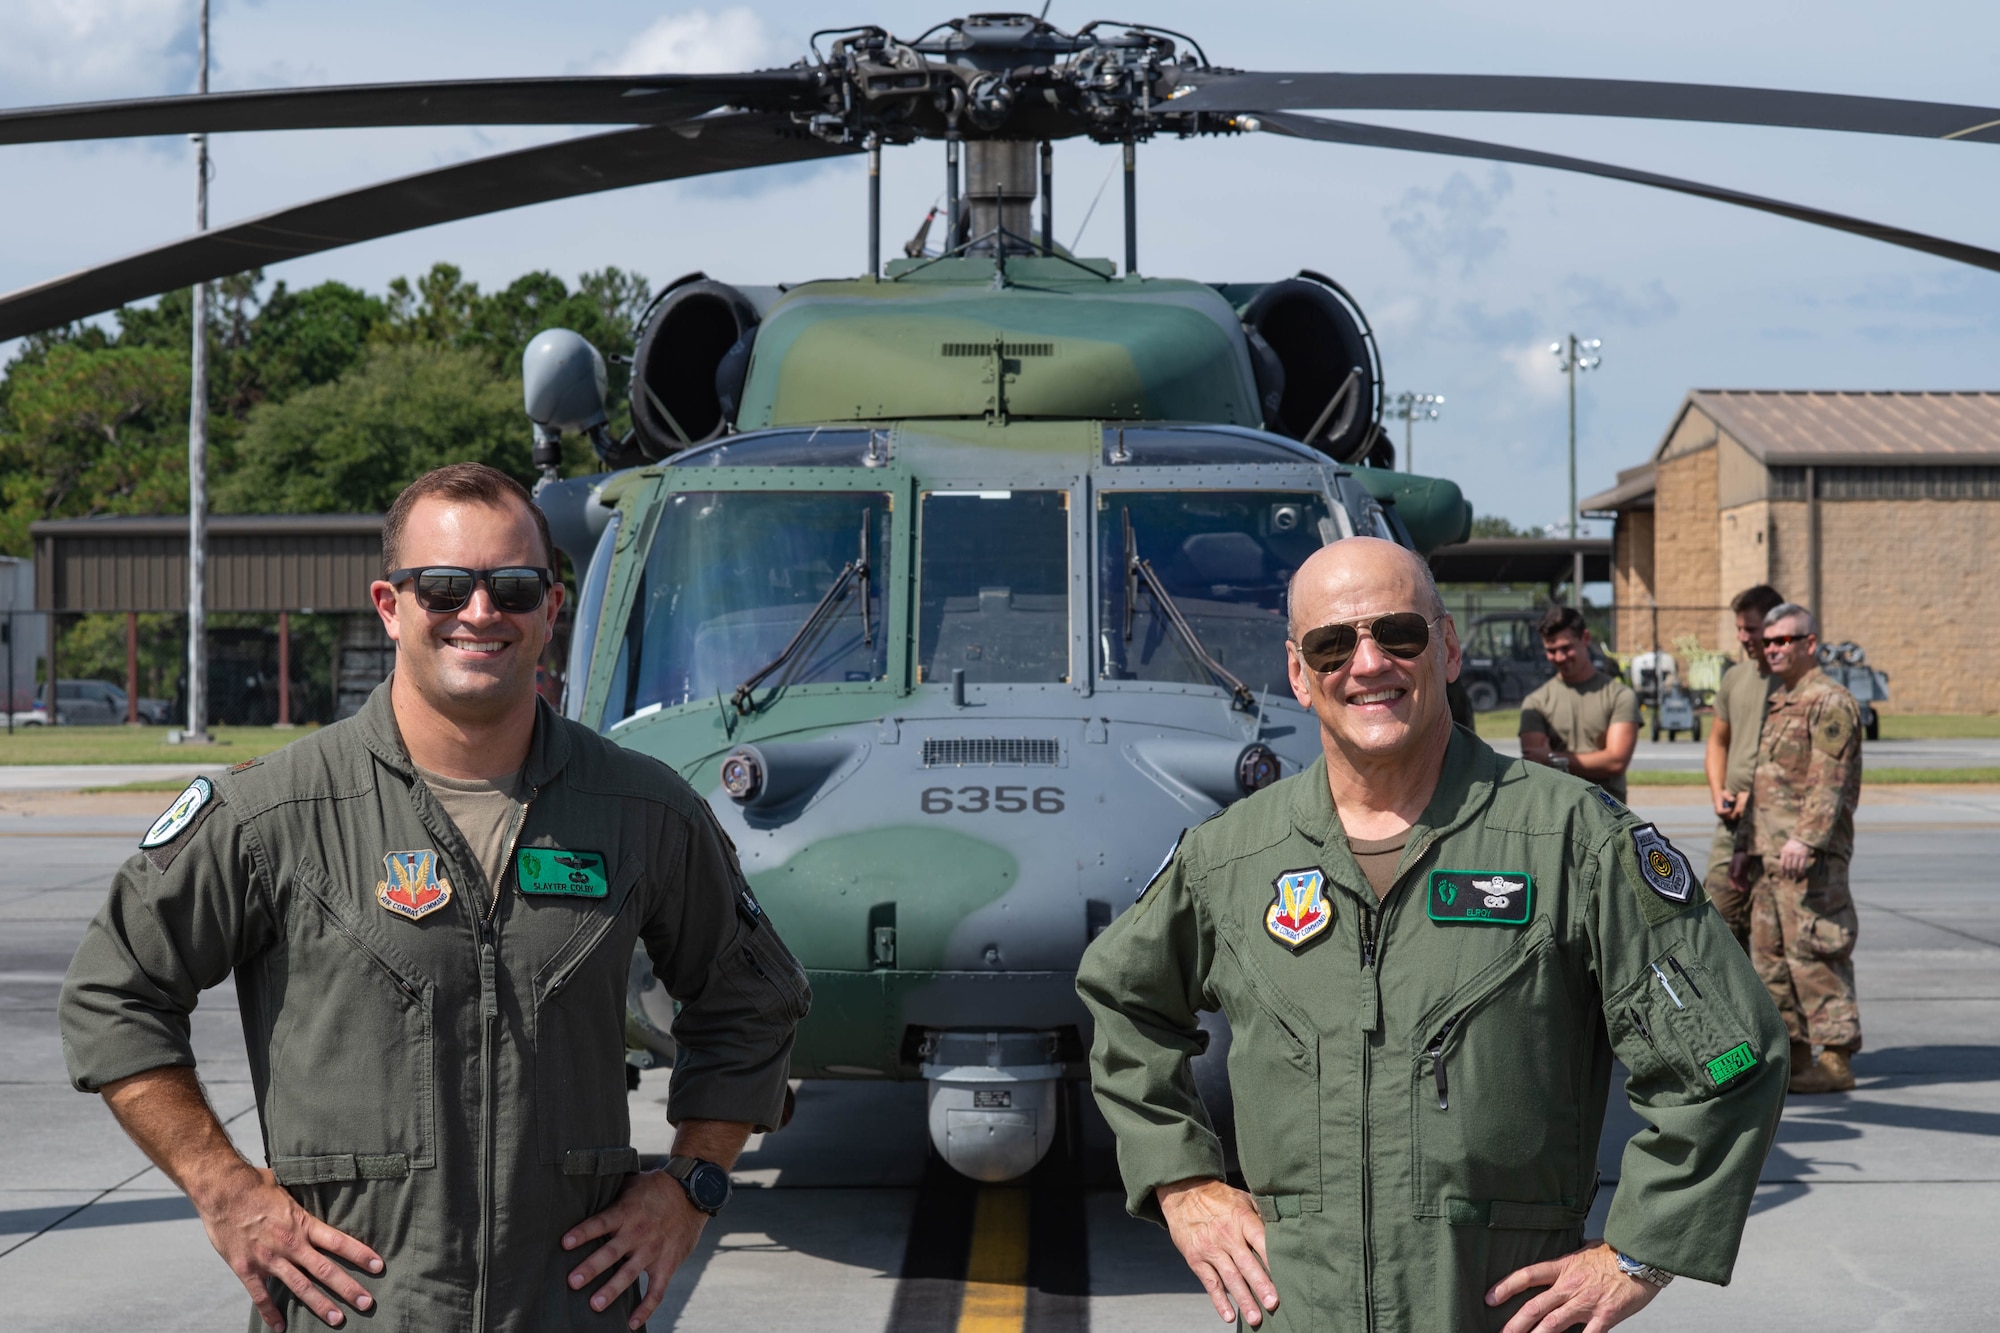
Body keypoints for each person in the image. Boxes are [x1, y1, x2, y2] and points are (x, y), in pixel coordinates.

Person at [60, 463, 809, 1332]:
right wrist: (225, 1189)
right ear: (391, 604)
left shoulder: (644, 808)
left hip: (566, 1308)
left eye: (514, 587)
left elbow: (755, 996)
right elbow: (113, 993)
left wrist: (691, 1185)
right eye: (444, 587)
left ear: (550, 610)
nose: (481, 613)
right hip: (361, 1311)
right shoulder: (276, 811)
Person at [1077, 537, 1787, 1333]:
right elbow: (1122, 997)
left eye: (1399, 633)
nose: (1368, 662)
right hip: (1300, 1311)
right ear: (1298, 673)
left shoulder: (1572, 841)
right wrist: (1182, 1181)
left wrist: (1640, 1251)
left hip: (1496, 1313)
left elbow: (1732, 1053)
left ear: (1447, 648)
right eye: (1333, 643)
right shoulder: (1232, 857)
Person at [1735, 601, 1863, 1095]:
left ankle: (1834, 1058)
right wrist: (1747, 846)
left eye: (1784, 641)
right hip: (1771, 854)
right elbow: (1767, 784)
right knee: (1770, 957)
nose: (1773, 650)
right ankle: (1790, 1052)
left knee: (1815, 950)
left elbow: (1829, 783)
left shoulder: (1829, 702)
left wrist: (1805, 839)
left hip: (1809, 858)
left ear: (1810, 644)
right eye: (1768, 643)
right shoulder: (1783, 699)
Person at [1703, 584, 1785, 946]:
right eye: (1739, 628)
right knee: (1716, 920)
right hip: (1732, 824)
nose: (1742, 637)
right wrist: (1718, 790)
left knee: (1774, 936)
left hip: (1777, 824)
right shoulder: (1735, 677)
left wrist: (1754, 796)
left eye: (1750, 629)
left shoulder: (1793, 681)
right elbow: (1718, 741)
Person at [1517, 604, 1641, 802]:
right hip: (1557, 810)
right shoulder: (1536, 702)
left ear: (1585, 638)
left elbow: (1616, 762)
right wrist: (1594, 759)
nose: (1559, 657)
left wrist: (1552, 758)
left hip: (1608, 810)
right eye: (1551, 650)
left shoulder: (1619, 696)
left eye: (1566, 648)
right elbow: (1535, 764)